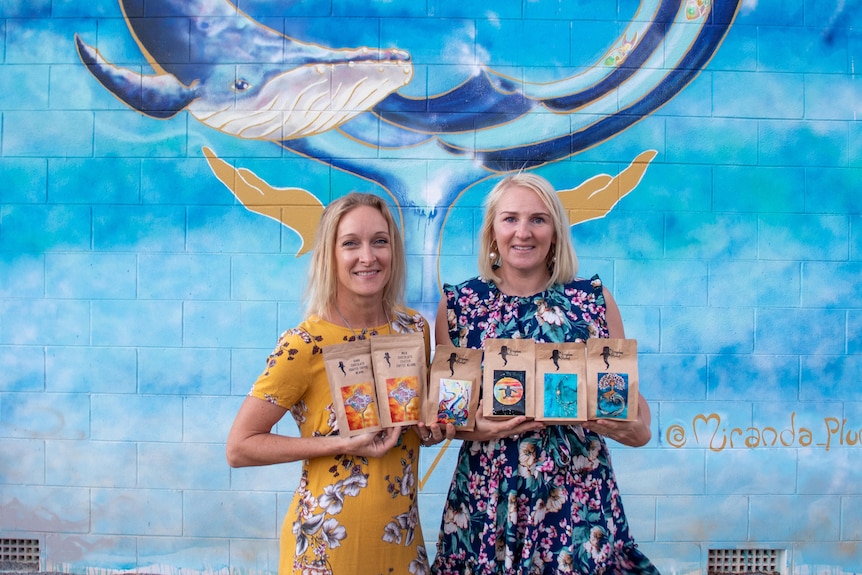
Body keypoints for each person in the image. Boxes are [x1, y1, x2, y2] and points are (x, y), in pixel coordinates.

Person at [430, 173, 659, 574]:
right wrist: (485, 428)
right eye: (510, 219)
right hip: (490, 494)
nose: (523, 232)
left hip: (577, 492)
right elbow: (451, 420)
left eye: (538, 219)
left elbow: (639, 426)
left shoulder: (592, 301)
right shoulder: (460, 306)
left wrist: (620, 425)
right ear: (492, 232)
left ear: (555, 231)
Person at [226, 192, 451, 575]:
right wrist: (339, 444)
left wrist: (432, 430)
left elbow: (414, 423)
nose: (368, 256)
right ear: (329, 254)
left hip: (400, 541)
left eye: (380, 241)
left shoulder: (413, 329)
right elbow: (239, 447)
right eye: (351, 243)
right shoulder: (305, 343)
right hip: (325, 546)